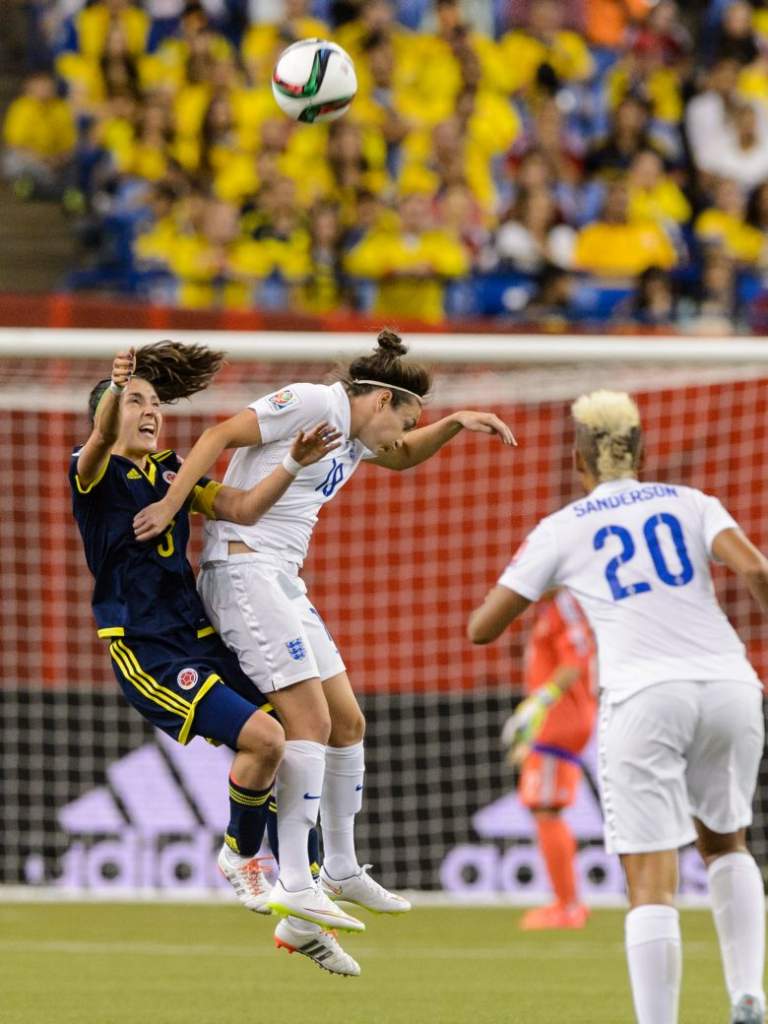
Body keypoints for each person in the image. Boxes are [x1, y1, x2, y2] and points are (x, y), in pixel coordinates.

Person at [132, 329, 516, 941]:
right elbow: (217, 436)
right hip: (243, 570)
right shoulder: (314, 402)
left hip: (282, 578)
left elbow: (401, 454)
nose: (402, 431)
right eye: (407, 417)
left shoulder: (360, 436)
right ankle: (295, 881)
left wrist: (455, 424)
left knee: (348, 722)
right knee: (306, 723)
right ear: (379, 401)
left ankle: (338, 866)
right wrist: (173, 502)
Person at [468, 389, 767, 1024]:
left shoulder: (565, 527)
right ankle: (748, 996)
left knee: (651, 879)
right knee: (728, 844)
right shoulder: (692, 502)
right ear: (642, 453)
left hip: (645, 695)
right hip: (730, 684)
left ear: (579, 462)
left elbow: (483, 628)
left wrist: (554, 571)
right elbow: (758, 571)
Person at [69, 341, 350, 933]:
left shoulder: (173, 472)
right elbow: (96, 442)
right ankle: (241, 856)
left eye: (155, 403)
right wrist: (117, 385)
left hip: (199, 633)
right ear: (110, 409)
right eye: (135, 402)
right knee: (266, 740)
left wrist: (294, 463)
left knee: (295, 731)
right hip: (148, 648)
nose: (150, 411)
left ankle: (308, 890)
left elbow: (243, 508)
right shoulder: (93, 473)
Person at [501, 589, 596, 930]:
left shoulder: (566, 606)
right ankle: (566, 902)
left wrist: (541, 701)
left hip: (561, 720)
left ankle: (568, 906)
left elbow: (574, 663)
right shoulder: (553, 608)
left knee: (546, 808)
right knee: (543, 807)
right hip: (555, 721)